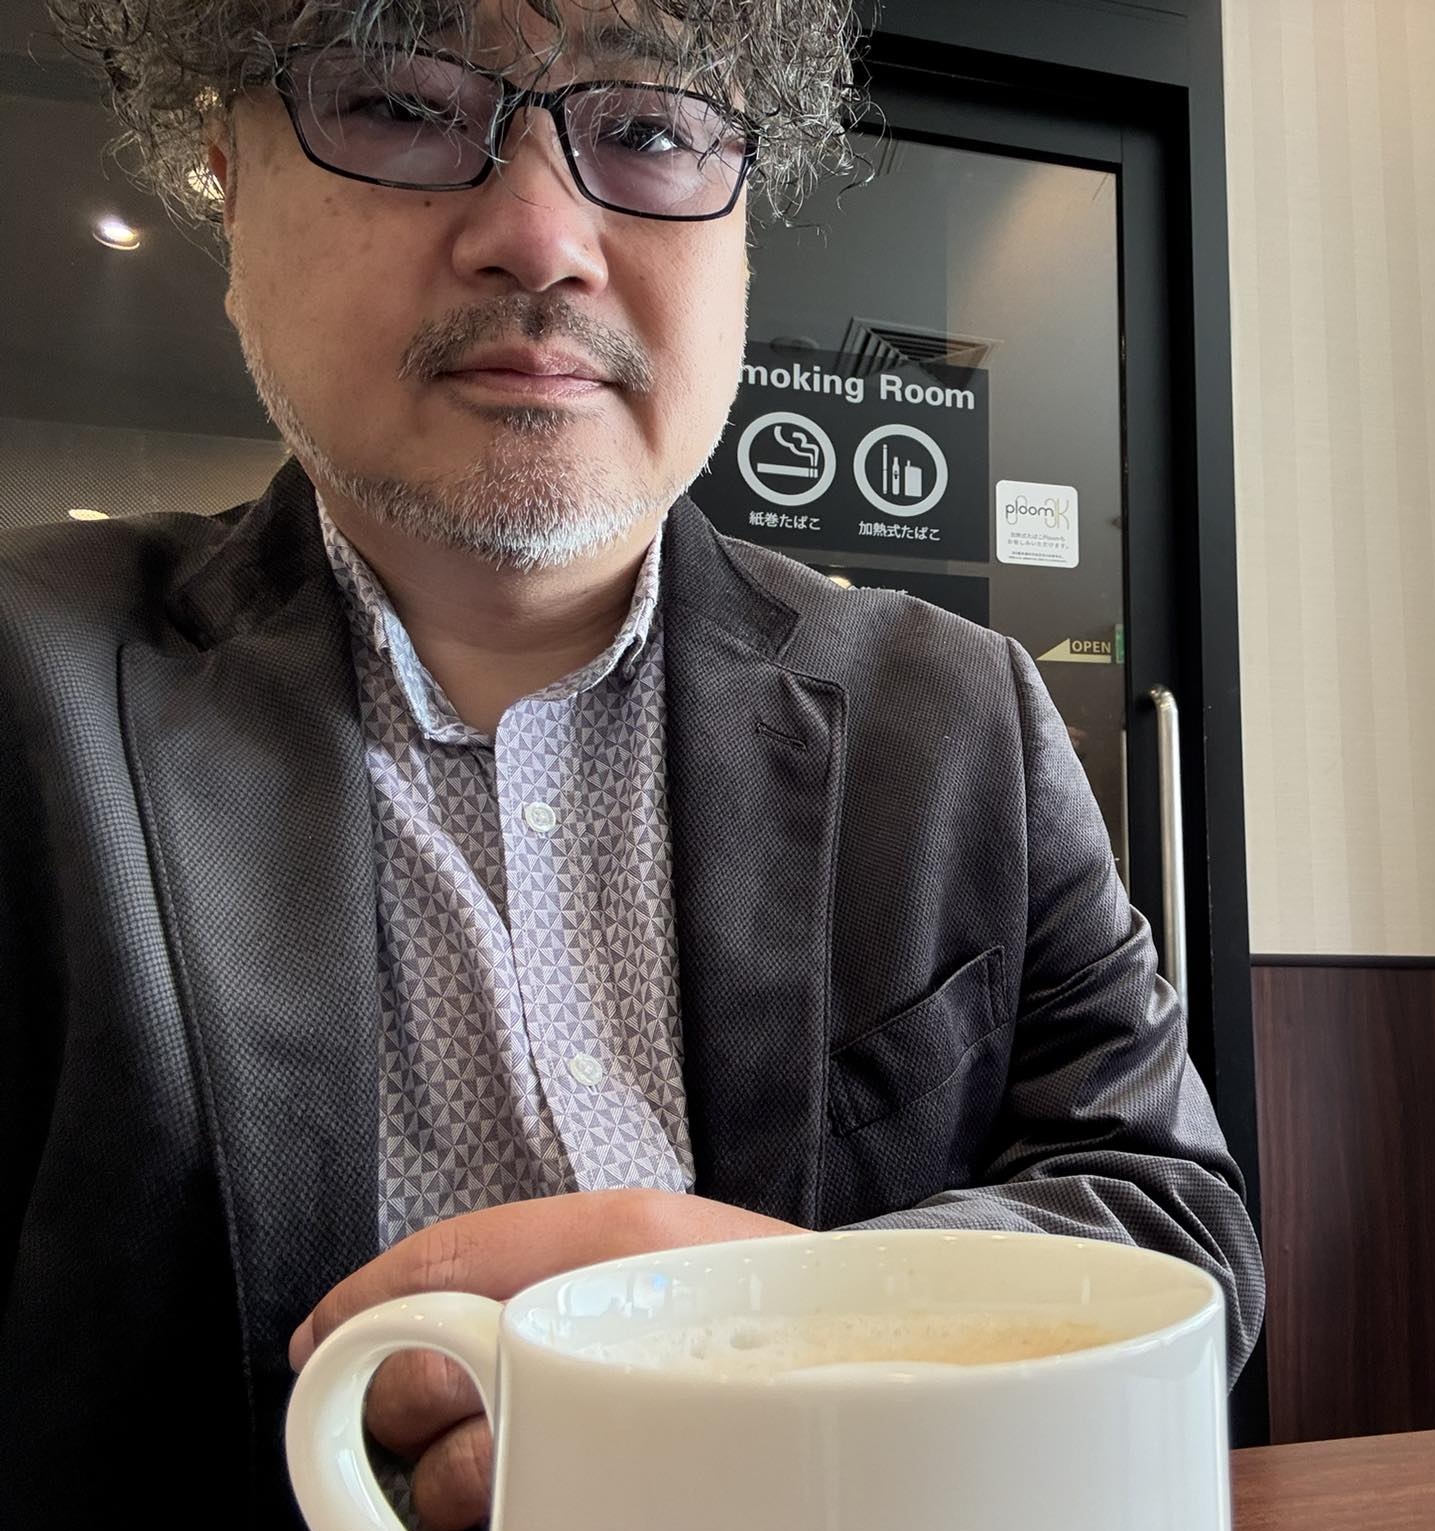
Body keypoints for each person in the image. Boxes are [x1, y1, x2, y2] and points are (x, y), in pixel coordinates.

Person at [1, 1, 1265, 1525]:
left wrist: (766, 1316)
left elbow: (1171, 1224)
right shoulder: (28, 697)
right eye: (397, 106)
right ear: (227, 173)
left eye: (649, 128)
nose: (539, 239)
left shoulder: (954, 713)